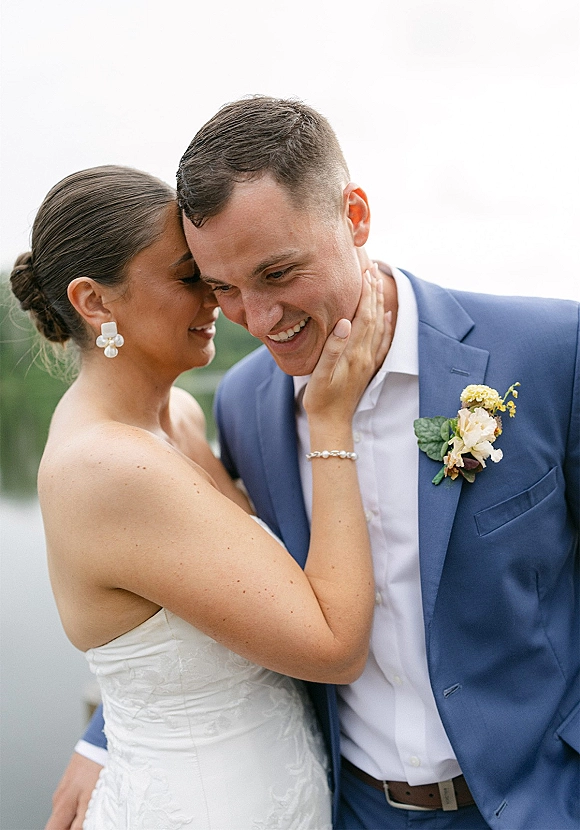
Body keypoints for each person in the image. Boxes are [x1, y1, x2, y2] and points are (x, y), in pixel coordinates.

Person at [48, 98, 579, 830]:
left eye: (277, 273)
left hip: (543, 802)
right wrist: (108, 733)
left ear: (355, 216)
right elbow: (204, 584)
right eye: (221, 287)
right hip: (348, 808)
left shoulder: (551, 354)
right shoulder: (243, 402)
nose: (258, 320)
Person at [11, 164, 392, 830]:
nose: (218, 299)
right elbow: (333, 646)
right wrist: (332, 423)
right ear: (95, 302)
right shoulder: (106, 468)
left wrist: (99, 733)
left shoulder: (180, 416)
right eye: (191, 278)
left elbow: (197, 619)